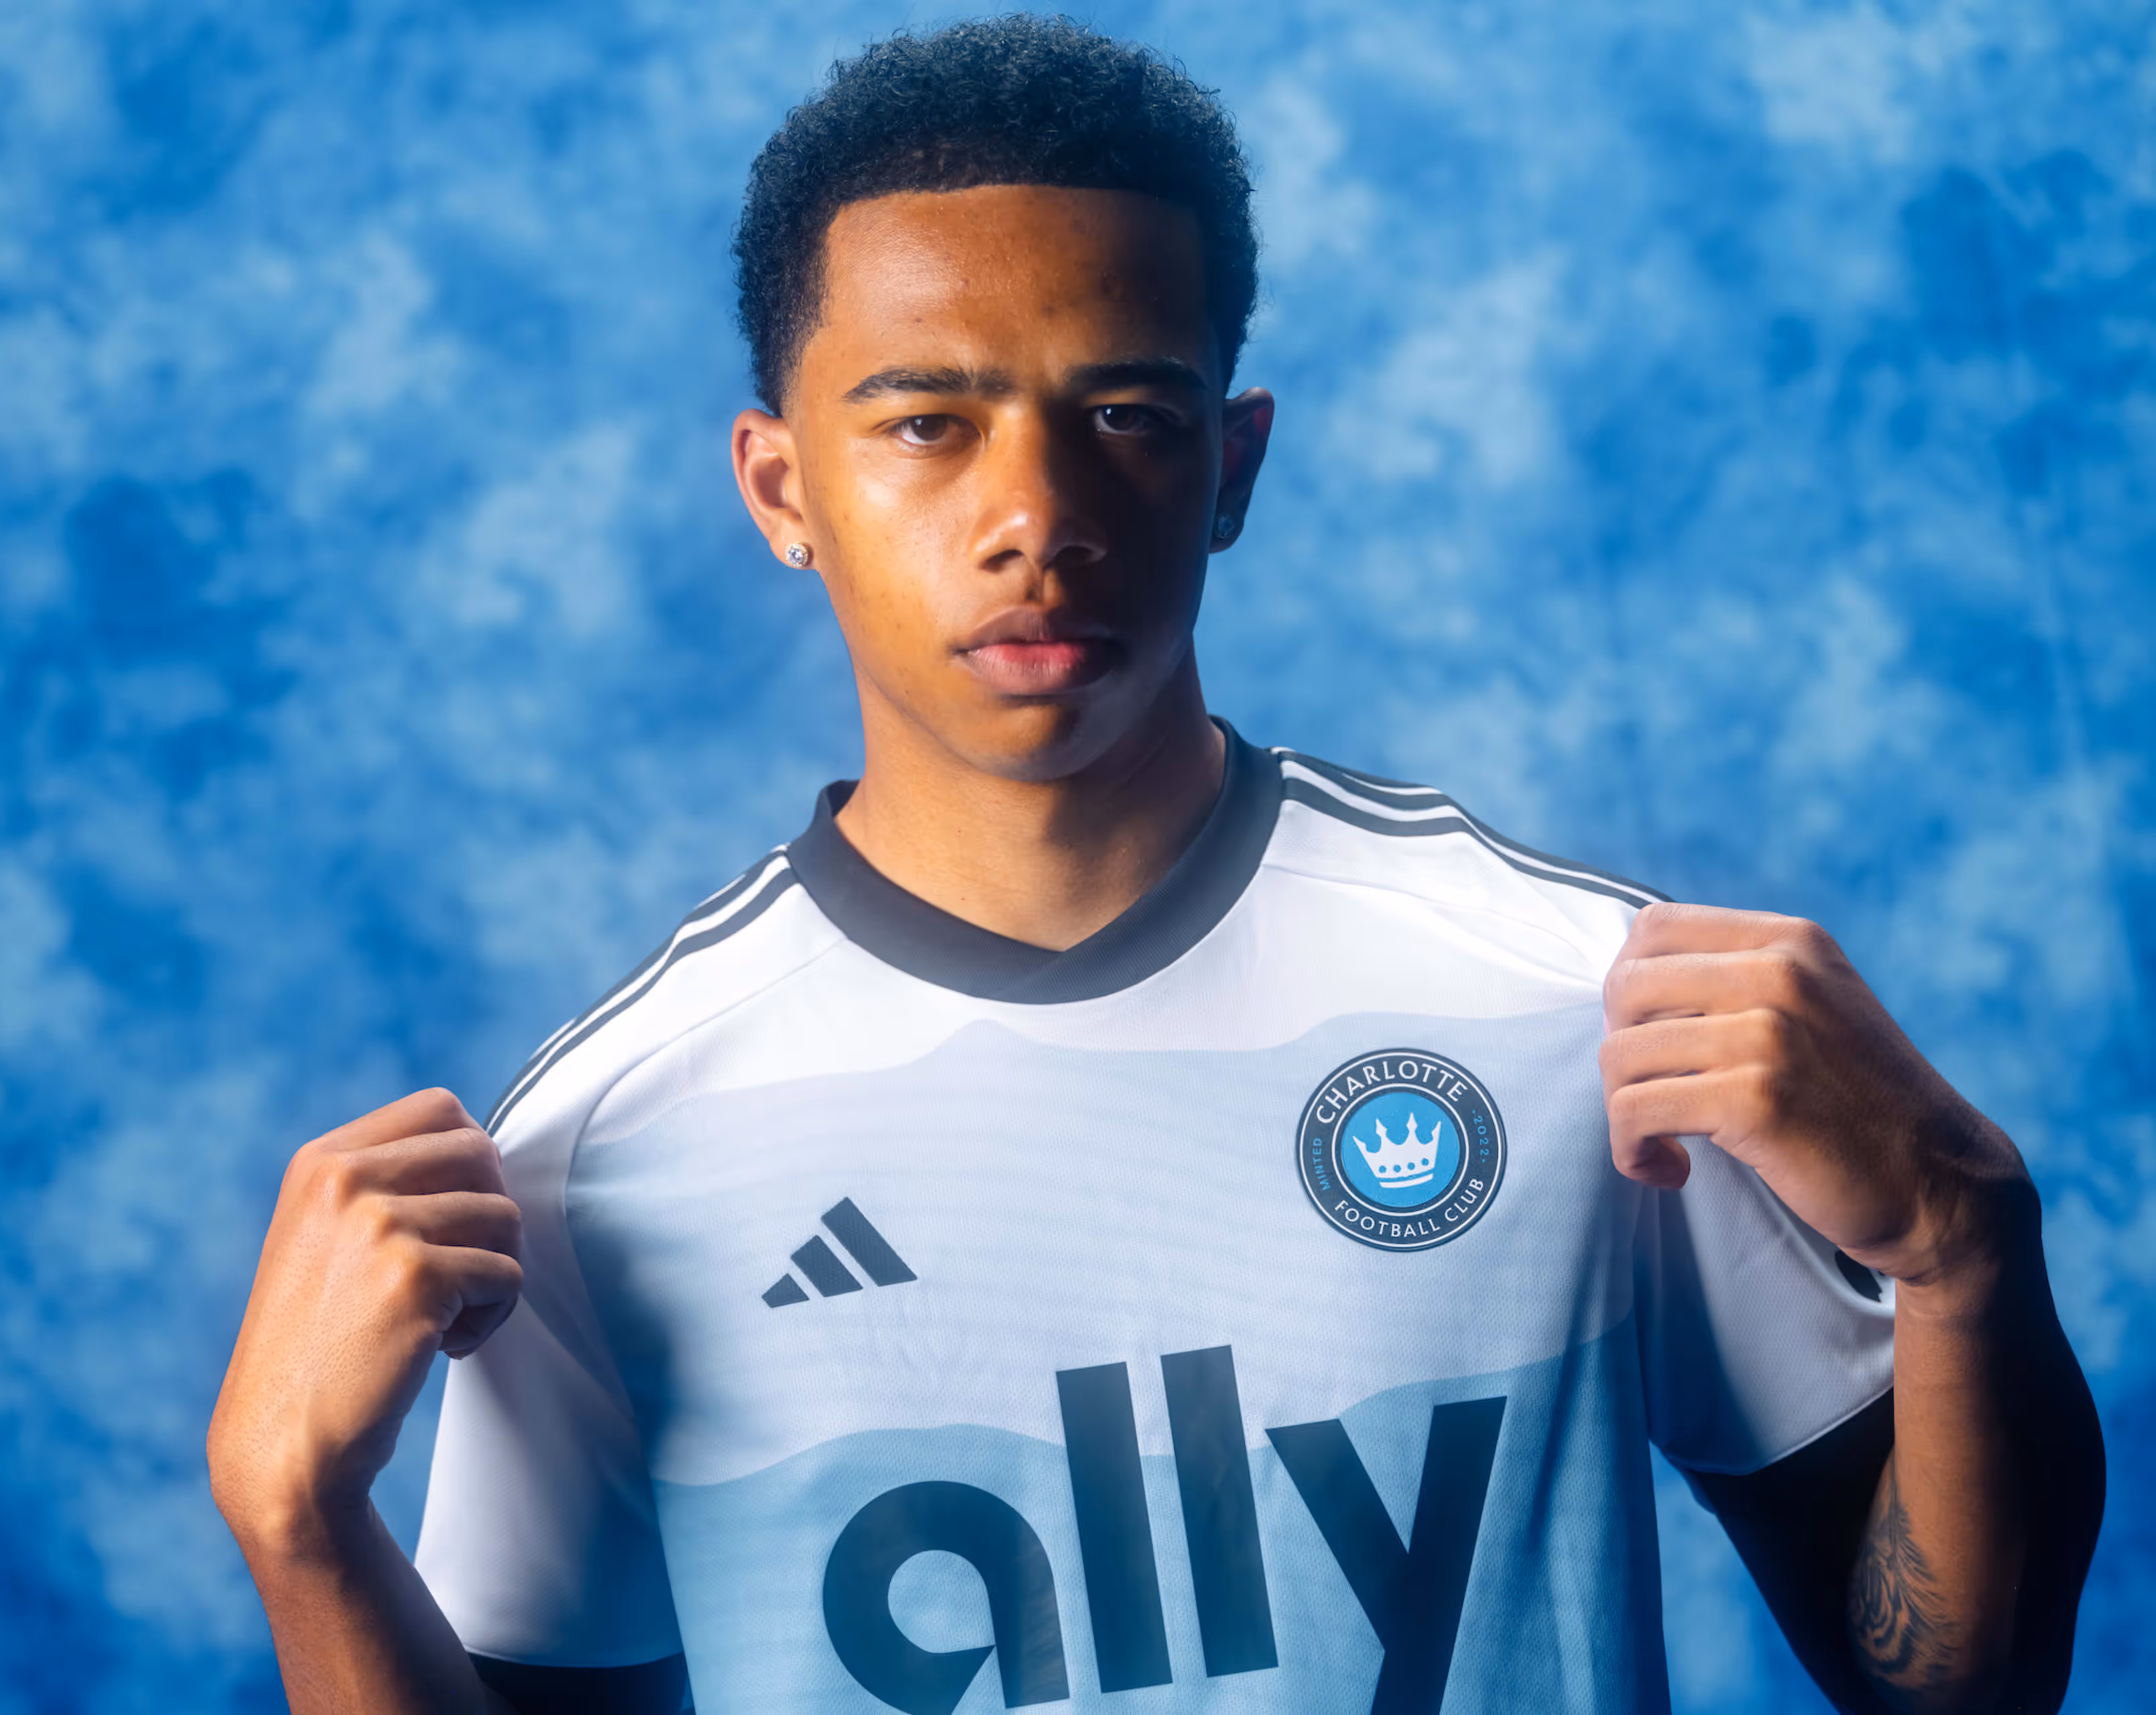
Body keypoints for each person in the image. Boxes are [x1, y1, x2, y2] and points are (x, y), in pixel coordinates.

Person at [204, 17, 2104, 1713]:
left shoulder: (1571, 1001)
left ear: (1234, 465)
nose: (1034, 519)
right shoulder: (601, 1156)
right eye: (928, 426)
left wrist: (1962, 1240)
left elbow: (1960, 1684)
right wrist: (303, 1528)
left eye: (1124, 417)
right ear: (786, 490)